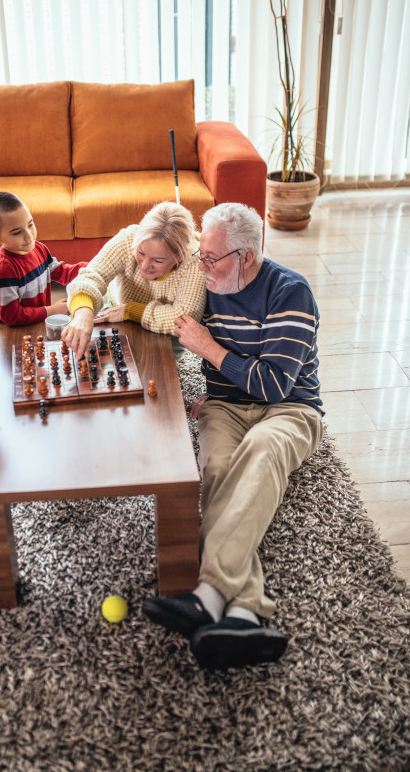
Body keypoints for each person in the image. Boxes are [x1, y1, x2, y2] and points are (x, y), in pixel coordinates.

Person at [142, 202, 324, 670]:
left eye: (210, 258)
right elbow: (147, 277)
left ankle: (208, 595)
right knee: (219, 470)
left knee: (261, 451)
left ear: (244, 257)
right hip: (223, 405)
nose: (200, 267)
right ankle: (244, 611)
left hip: (290, 409)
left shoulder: (291, 293)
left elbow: (273, 385)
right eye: (199, 255)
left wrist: (209, 347)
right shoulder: (206, 281)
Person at [61, 201, 206, 360]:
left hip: (164, 327)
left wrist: (129, 311)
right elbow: (92, 275)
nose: (145, 266)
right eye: (141, 253)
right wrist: (83, 313)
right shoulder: (128, 238)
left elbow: (183, 320)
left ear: (179, 256)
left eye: (158, 261)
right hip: (114, 305)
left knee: (149, 369)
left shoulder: (195, 262)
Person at [0, 191, 86, 329]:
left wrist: (94, 267)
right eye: (17, 232)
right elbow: (11, 317)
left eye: (30, 225)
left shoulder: (39, 248)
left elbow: (63, 272)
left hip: (35, 323)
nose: (29, 236)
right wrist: (51, 311)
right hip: (6, 333)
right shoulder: (3, 269)